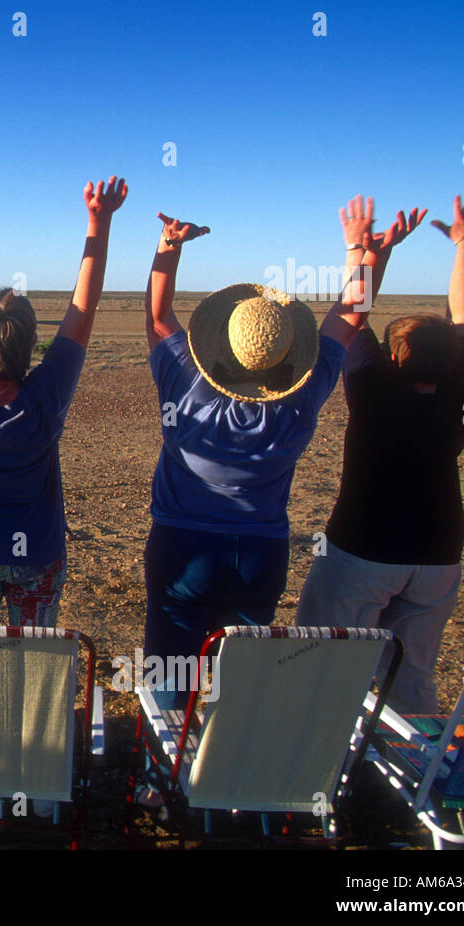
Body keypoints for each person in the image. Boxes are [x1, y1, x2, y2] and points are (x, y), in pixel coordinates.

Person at [141, 195, 423, 706]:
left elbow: (159, 314)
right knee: (242, 674)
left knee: (170, 667)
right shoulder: (302, 395)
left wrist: (168, 246)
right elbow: (350, 318)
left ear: (218, 341)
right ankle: (233, 764)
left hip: (181, 545)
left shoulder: (183, 378)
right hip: (259, 552)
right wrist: (372, 257)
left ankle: (163, 773)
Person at [298, 196, 464, 713]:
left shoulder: (375, 388)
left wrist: (363, 249)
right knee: (413, 673)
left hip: (363, 548)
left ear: (393, 356)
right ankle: (407, 775)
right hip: (440, 551)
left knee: (324, 661)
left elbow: (352, 315)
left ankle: (319, 764)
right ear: (450, 358)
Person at [0, 178, 127, 626]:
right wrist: (99, 220)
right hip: (37, 556)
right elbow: (83, 309)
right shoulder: (45, 395)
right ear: (33, 343)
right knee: (34, 664)